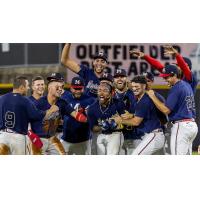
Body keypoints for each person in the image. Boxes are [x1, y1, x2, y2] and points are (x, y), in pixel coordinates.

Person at [146, 64, 198, 155]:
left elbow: (166, 110)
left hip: (181, 127)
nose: (165, 80)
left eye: (167, 77)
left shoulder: (176, 88)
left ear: (174, 75)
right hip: (192, 125)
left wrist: (153, 96)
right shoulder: (186, 84)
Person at [31, 73, 88, 155]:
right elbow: (26, 121)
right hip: (38, 139)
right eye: (57, 87)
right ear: (49, 88)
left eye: (62, 87)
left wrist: (87, 118)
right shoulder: (38, 103)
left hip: (53, 138)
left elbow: (75, 114)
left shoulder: (62, 103)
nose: (60, 89)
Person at [0, 76, 58, 155]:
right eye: (27, 86)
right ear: (21, 87)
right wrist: (51, 110)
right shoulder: (25, 100)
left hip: (3, 137)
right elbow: (37, 115)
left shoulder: (1, 98)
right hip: (18, 138)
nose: (28, 88)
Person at [112, 75, 165, 155]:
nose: (134, 88)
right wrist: (132, 115)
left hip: (154, 135)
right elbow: (146, 114)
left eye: (137, 86)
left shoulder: (144, 100)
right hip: (150, 135)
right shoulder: (142, 98)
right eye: (133, 86)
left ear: (144, 86)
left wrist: (120, 120)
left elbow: (136, 122)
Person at [130, 45, 198, 94]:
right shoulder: (175, 76)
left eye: (179, 65)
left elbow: (184, 68)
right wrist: (145, 57)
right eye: (177, 65)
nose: (177, 67)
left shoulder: (191, 78)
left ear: (188, 67)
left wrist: (177, 55)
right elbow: (160, 67)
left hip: (185, 111)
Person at [87, 82, 126, 155]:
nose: (101, 93)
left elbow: (126, 122)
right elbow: (93, 128)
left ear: (111, 93)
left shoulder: (119, 104)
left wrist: (116, 124)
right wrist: (103, 127)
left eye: (105, 90)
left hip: (115, 134)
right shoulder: (92, 108)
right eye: (99, 90)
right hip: (100, 134)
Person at [60, 77, 95, 155]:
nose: (78, 91)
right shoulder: (64, 99)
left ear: (84, 88)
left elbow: (95, 118)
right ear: (71, 88)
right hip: (66, 139)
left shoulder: (91, 100)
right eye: (75, 89)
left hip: (83, 141)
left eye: (80, 88)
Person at [113, 68, 137, 155]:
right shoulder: (109, 94)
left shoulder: (135, 94)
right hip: (115, 135)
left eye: (122, 76)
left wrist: (133, 115)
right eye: (116, 77)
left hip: (134, 134)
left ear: (126, 78)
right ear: (113, 79)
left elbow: (145, 111)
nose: (119, 79)